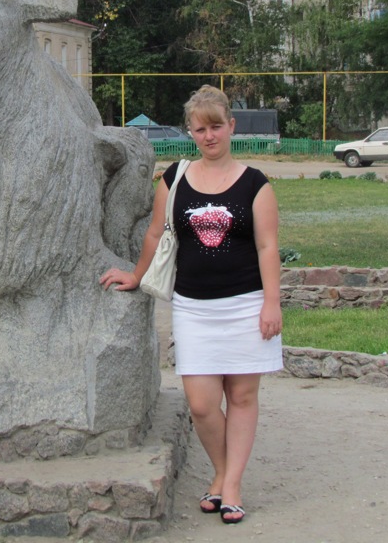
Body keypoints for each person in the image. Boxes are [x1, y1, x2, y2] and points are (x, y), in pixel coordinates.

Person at [100, 85, 282, 525]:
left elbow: (267, 246)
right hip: (194, 307)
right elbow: (155, 234)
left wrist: (271, 304)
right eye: (200, 129)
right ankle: (221, 472)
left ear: (231, 126)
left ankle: (231, 485)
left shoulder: (256, 184)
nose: (209, 136)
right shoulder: (175, 177)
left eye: (216, 126)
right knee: (201, 404)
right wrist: (136, 275)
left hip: (245, 303)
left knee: (241, 396)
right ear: (191, 131)